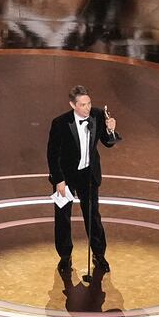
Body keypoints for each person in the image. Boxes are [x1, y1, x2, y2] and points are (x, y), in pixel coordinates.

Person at [46, 84, 118, 274]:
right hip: (66, 177)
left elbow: (107, 142)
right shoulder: (60, 123)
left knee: (93, 216)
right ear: (73, 104)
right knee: (62, 218)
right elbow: (52, 154)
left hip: (88, 174)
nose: (87, 108)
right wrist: (59, 180)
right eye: (83, 105)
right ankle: (65, 256)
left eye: (88, 103)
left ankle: (99, 254)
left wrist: (110, 130)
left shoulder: (96, 115)